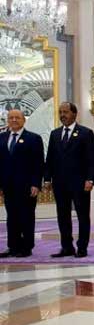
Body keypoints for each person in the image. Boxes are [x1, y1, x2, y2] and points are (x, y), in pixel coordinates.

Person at [44, 102, 94, 258]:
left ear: (74, 114)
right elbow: (50, 159)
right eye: (60, 112)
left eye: (66, 112)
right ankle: (66, 246)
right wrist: (47, 179)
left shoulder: (85, 133)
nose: (62, 115)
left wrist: (90, 179)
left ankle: (82, 247)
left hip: (80, 183)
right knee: (63, 216)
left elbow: (92, 159)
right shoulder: (55, 134)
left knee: (82, 215)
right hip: (60, 183)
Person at [0, 110, 44, 258]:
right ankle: (13, 246)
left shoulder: (33, 138)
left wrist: (36, 184)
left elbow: (38, 164)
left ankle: (26, 247)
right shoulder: (2, 138)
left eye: (17, 118)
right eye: (11, 118)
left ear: (23, 120)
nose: (13, 120)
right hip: (8, 186)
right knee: (11, 217)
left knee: (26, 216)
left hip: (27, 187)